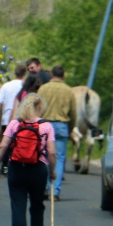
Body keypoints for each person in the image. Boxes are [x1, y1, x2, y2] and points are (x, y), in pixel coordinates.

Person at [0, 93, 57, 226]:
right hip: (38, 168)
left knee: (18, 206)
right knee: (37, 205)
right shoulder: (46, 126)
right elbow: (52, 151)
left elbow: (2, 147)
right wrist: (52, 171)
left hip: (16, 167)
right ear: (40, 107)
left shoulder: (14, 124)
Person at [37, 65, 77, 202]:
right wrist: (70, 129)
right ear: (63, 75)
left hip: (45, 125)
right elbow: (74, 113)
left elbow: (37, 108)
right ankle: (55, 191)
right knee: (59, 158)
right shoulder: (69, 90)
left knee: (44, 157)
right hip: (61, 126)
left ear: (51, 75)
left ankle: (44, 188)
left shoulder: (43, 88)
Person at [0, 64, 26, 133]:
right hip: (21, 121)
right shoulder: (25, 86)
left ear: (15, 73)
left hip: (6, 120)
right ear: (25, 74)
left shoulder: (5, 85)